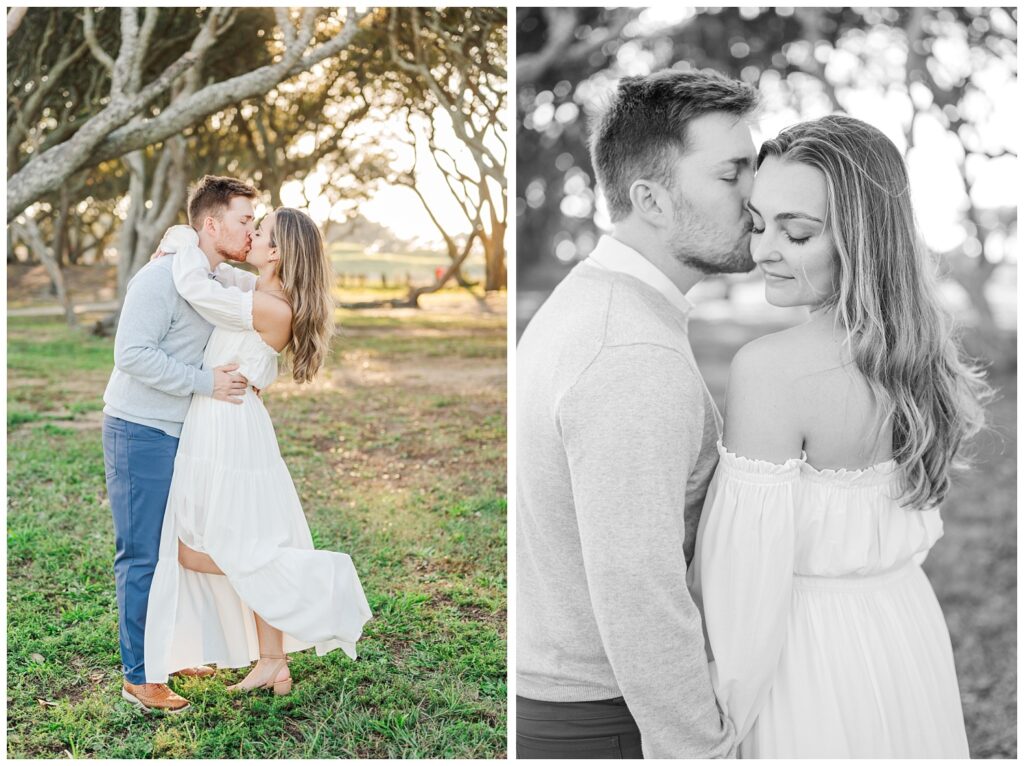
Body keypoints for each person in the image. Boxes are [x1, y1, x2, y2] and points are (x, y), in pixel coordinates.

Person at [689, 114, 989, 757]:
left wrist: (720, 726)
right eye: (759, 223)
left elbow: (746, 588)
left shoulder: (771, 370)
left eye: (796, 233)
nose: (764, 250)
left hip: (804, 664)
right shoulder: (921, 354)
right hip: (906, 634)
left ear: (863, 238)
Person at [516, 69, 760, 758]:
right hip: (602, 720)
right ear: (651, 199)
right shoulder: (629, 350)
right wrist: (705, 751)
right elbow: (639, 592)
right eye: (731, 175)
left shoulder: (600, 304)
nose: (757, 199)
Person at [142, 202, 372, 696]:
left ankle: (321, 578)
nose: (251, 237)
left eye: (260, 231)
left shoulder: (270, 305)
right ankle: (273, 661)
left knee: (204, 549)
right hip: (221, 420)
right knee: (230, 542)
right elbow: (222, 278)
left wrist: (184, 239)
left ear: (277, 251)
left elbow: (195, 286)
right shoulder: (260, 291)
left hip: (228, 428)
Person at [102, 175, 256, 713]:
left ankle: (167, 651)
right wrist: (206, 381)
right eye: (244, 221)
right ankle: (140, 676)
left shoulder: (213, 278)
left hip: (183, 434)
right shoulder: (162, 278)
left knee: (178, 548)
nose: (251, 231)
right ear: (210, 225)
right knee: (142, 554)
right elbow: (132, 355)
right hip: (139, 429)